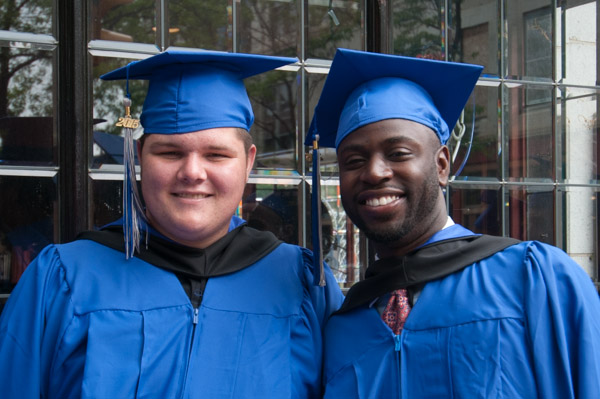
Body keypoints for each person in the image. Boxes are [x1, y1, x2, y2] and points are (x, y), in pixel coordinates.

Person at [0, 49, 344, 398]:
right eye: (170, 152)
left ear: (248, 163)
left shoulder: (302, 285)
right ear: (139, 156)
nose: (193, 173)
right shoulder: (63, 279)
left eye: (216, 155)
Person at [307, 48, 600, 398]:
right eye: (353, 160)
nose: (374, 172)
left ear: (442, 165)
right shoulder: (342, 329)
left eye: (398, 153)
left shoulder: (533, 280)